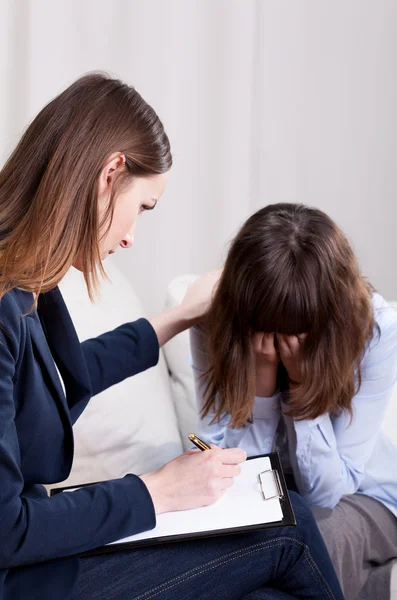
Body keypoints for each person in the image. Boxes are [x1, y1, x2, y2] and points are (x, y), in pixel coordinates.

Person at [0, 73, 344, 600]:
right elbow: (7, 530)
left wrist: (179, 317)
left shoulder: (25, 280)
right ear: (111, 173)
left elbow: (65, 376)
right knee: (289, 523)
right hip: (22, 576)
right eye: (142, 207)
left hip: (38, 551)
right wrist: (157, 491)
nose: (131, 236)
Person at [190, 203, 397, 600]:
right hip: (271, 501)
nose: (280, 343)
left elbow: (327, 494)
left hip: (363, 495)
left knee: (315, 537)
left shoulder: (376, 329)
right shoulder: (215, 321)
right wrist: (262, 386)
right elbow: (227, 470)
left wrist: (303, 391)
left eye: (298, 334)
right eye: (267, 331)